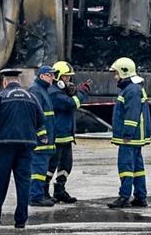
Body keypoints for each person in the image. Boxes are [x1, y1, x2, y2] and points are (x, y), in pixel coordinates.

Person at [0, 69, 47, 229]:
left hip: (4, 146)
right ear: (18, 81)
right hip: (26, 146)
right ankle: (21, 220)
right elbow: (41, 120)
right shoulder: (31, 97)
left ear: (5, 82)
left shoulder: (0, 97)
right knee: (23, 184)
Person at [107, 57, 151, 209]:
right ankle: (140, 196)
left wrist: (127, 134)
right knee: (137, 168)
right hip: (136, 137)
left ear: (124, 72)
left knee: (125, 166)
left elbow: (131, 115)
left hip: (130, 138)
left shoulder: (131, 90)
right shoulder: (134, 88)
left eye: (117, 73)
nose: (115, 77)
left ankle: (124, 196)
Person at [46, 61, 92, 204]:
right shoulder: (53, 92)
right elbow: (72, 103)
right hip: (57, 135)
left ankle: (60, 189)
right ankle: (43, 190)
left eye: (69, 78)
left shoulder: (62, 91)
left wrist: (75, 91)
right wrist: (82, 92)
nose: (68, 80)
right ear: (57, 77)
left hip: (66, 136)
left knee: (66, 165)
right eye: (65, 77)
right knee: (51, 166)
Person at [28, 65, 56, 206]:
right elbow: (36, 115)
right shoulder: (36, 90)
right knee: (38, 169)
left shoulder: (43, 90)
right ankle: (35, 197)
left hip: (47, 138)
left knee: (42, 168)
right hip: (41, 140)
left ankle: (38, 195)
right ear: (42, 76)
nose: (53, 78)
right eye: (50, 75)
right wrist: (42, 134)